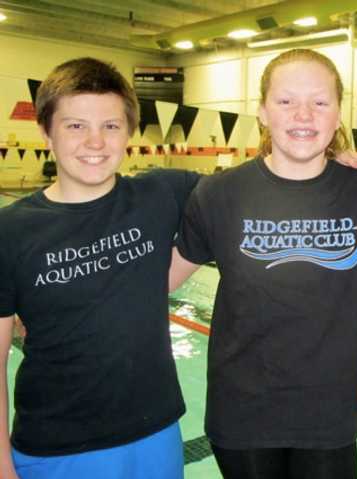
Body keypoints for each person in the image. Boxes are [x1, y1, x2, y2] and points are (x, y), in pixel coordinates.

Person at [169, 48, 357, 479]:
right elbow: (158, 282)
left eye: (320, 102)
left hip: (329, 416)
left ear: (339, 112)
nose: (303, 115)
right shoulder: (217, 195)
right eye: (286, 101)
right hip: (242, 414)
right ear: (262, 112)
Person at [0, 58, 201, 478]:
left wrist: (339, 162)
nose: (95, 142)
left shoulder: (161, 193)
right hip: (57, 448)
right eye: (75, 126)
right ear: (45, 132)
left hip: (158, 432)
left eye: (110, 126)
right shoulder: (10, 230)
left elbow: (262, 188)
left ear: (128, 132)